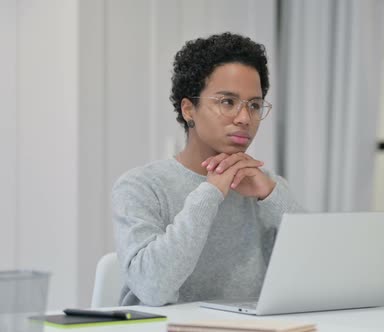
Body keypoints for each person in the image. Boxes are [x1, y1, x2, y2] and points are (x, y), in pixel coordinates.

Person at [112, 32, 304, 306]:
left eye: (254, 105)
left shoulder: (267, 187)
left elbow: (320, 271)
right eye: (227, 102)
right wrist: (210, 193)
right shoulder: (140, 186)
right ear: (189, 109)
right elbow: (152, 288)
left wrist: (272, 196)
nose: (244, 118)